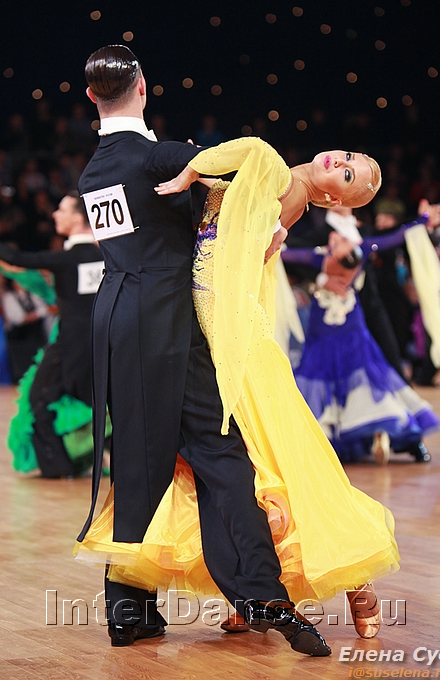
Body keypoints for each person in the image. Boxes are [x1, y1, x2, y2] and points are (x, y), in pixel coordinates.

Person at [76, 96, 398, 643]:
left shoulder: (280, 178)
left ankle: (337, 580)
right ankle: (263, 590)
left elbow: (249, 151)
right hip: (214, 332)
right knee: (253, 465)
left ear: (333, 198)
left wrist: (190, 174)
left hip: (232, 342)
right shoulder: (283, 196)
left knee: (265, 463)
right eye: (346, 157)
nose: (338, 163)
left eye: (348, 176)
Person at [283, 220, 440, 465]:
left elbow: (288, 255)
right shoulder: (360, 250)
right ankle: (374, 429)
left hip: (325, 328)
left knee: (325, 375)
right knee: (365, 374)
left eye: (341, 240)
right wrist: (419, 221)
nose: (336, 237)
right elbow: (393, 237)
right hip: (349, 325)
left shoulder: (321, 258)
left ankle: (334, 433)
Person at [0, 192, 104, 477]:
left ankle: (59, 466)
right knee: (101, 405)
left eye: (62, 209)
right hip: (104, 345)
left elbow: (16, 257)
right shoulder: (108, 256)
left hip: (68, 346)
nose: (55, 215)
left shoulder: (65, 259)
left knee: (40, 400)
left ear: (78, 217)